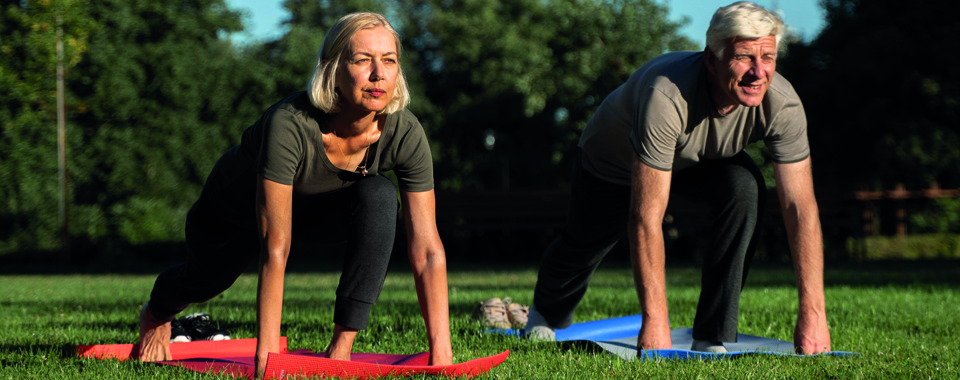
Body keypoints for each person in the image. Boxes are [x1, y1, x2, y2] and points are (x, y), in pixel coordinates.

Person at [137, 12, 453, 376]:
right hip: (233, 215)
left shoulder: (405, 132)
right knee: (205, 281)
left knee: (379, 195)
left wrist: (442, 355)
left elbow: (427, 250)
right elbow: (276, 247)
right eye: (362, 60)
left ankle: (341, 348)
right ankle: (156, 313)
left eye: (389, 60)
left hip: (315, 214)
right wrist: (268, 361)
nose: (378, 73)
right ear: (332, 69)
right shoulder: (289, 124)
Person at [524, 1, 831, 355]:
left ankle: (712, 335)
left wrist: (814, 313)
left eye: (768, 58)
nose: (758, 72)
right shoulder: (666, 95)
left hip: (696, 160)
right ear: (712, 60)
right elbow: (645, 218)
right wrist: (655, 320)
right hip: (614, 162)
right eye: (744, 57)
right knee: (585, 243)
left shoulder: (783, 103)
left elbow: (800, 208)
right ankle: (545, 312)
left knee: (744, 186)